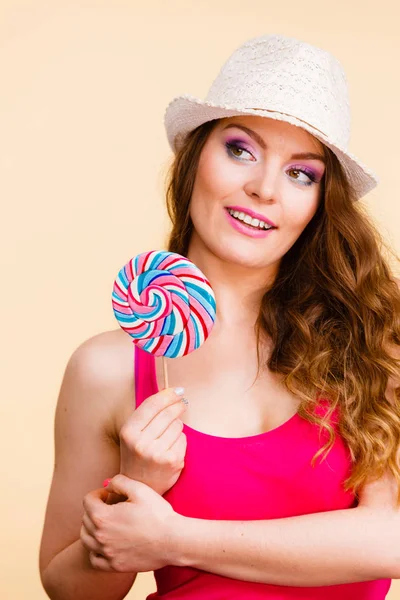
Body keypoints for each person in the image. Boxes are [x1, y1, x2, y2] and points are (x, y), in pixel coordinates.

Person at [39, 33, 400, 599]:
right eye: (240, 150)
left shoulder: (374, 340)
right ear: (193, 160)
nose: (262, 189)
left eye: (300, 173)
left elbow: (391, 540)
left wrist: (175, 537)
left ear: (319, 204)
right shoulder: (105, 369)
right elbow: (69, 590)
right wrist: (135, 488)